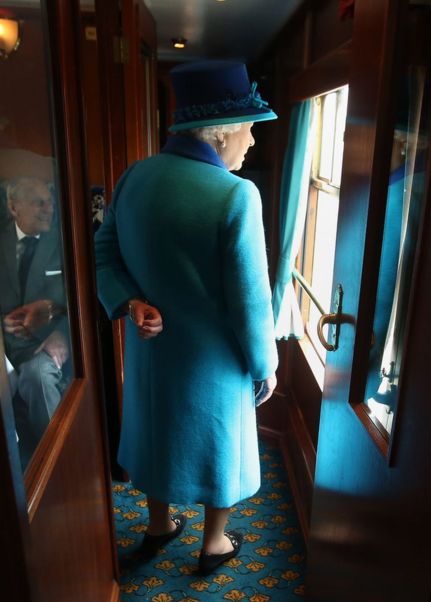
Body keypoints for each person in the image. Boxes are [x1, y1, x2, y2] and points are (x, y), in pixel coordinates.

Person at [95, 60, 279, 575]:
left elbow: (103, 251)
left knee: (155, 434)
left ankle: (157, 526)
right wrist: (265, 364)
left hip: (150, 352)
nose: (252, 141)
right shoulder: (236, 194)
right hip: (213, 361)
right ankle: (214, 543)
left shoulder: (136, 175)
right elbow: (251, 298)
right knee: (221, 445)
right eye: (248, 128)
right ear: (220, 134)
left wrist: (130, 303)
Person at [0, 176, 69, 467]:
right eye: (39, 203)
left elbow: (81, 297)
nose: (49, 209)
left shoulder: (64, 239)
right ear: (13, 207)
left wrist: (62, 332)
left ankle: (62, 466)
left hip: (46, 343)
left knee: (37, 377)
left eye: (49, 202)